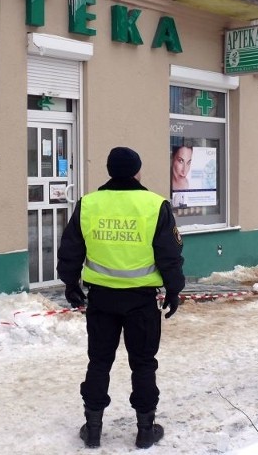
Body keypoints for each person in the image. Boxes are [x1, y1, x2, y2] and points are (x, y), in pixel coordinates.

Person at [57, 147, 185, 449]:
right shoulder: (155, 205)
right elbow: (170, 254)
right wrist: (174, 289)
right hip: (141, 301)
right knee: (143, 363)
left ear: (109, 170)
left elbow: (71, 247)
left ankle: (93, 428)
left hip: (101, 299)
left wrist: (70, 283)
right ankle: (145, 429)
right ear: (137, 171)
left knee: (99, 361)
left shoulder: (89, 204)